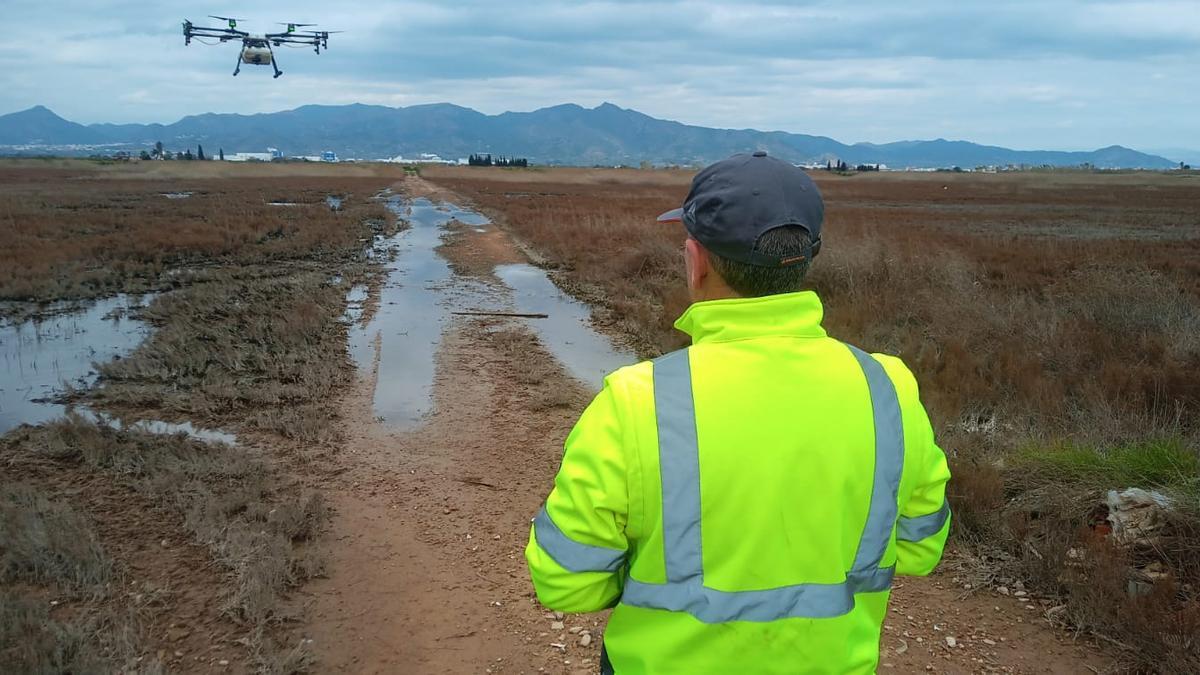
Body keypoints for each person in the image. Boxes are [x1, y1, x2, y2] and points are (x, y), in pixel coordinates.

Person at [525, 151, 951, 674]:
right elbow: (919, 548)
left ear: (695, 259)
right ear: (806, 256)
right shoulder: (888, 386)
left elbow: (566, 583)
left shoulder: (637, 400)